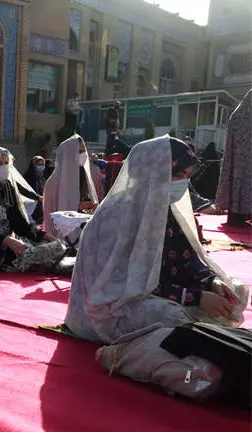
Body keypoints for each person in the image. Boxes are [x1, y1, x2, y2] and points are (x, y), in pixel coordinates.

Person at [65, 136, 249, 344]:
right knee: (168, 316)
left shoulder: (165, 208)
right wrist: (194, 297)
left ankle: (192, 329)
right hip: (110, 309)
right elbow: (121, 285)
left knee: (236, 292)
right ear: (151, 173)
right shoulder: (116, 215)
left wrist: (211, 283)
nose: (184, 184)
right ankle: (191, 329)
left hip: (166, 292)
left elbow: (185, 258)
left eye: (188, 176)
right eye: (179, 175)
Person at [0, 148, 67, 273]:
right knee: (36, 257)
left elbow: (19, 223)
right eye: (0, 163)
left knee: (57, 247)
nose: (4, 168)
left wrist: (44, 236)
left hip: (10, 247)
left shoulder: (7, 187)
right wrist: (5, 240)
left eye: (6, 163)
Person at [43, 134, 100, 238]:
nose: (83, 155)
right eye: (79, 151)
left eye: (84, 151)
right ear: (68, 154)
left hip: (82, 235)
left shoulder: (84, 176)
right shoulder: (53, 183)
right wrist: (79, 205)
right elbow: (53, 216)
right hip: (62, 238)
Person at [215, 88, 252, 227]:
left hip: (238, 161)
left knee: (237, 181)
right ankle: (243, 214)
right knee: (244, 182)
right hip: (246, 160)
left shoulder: (238, 115)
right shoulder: (244, 116)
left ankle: (238, 215)